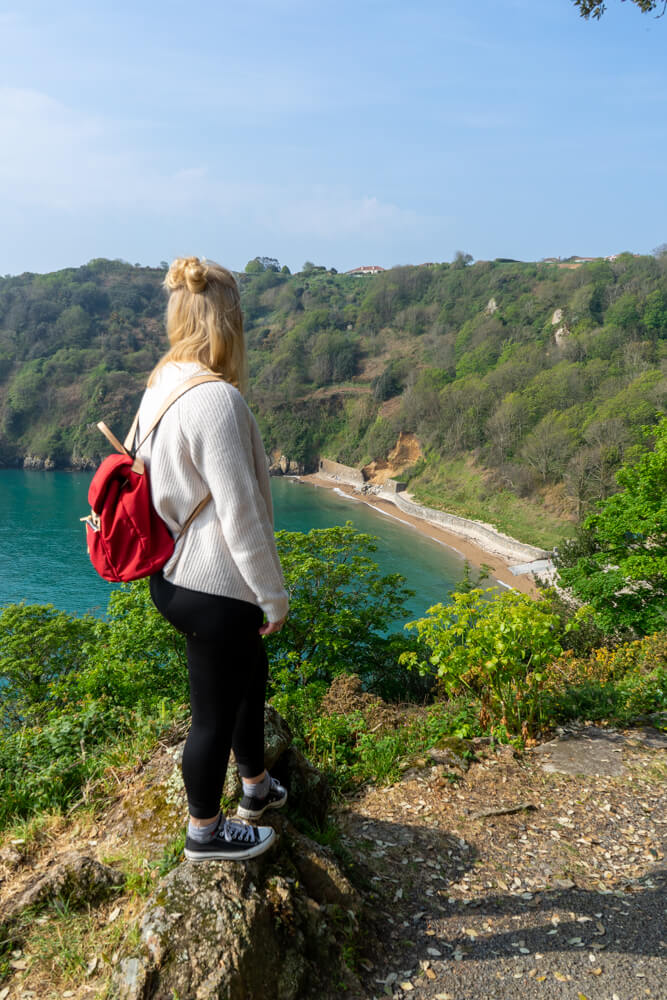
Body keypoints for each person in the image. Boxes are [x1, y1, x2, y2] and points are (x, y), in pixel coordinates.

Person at [136, 256, 290, 861]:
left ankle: (256, 788)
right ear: (229, 321)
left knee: (249, 676)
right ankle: (205, 831)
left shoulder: (160, 386)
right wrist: (271, 596)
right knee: (211, 715)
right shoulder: (217, 400)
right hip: (215, 585)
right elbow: (241, 515)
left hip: (171, 574)